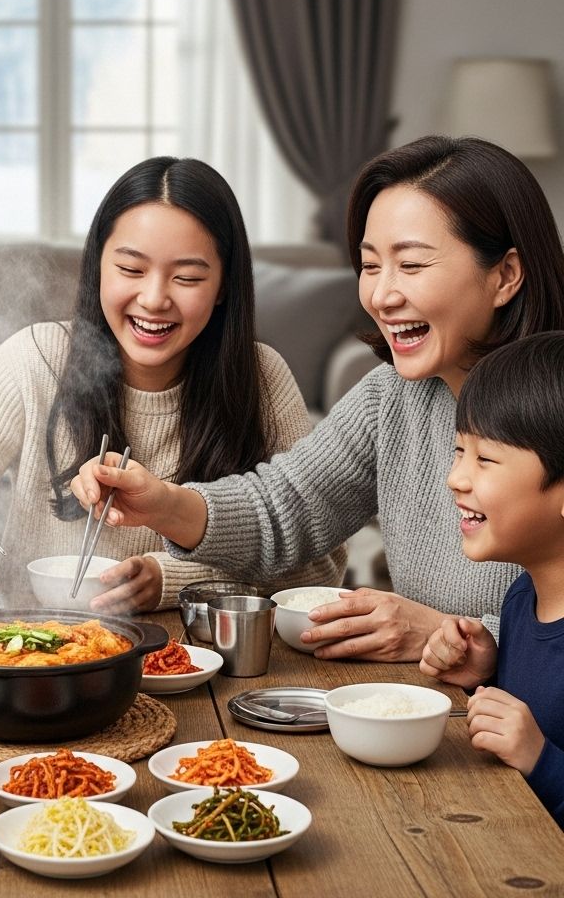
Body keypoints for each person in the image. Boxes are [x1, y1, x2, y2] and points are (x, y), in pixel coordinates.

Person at [71, 136, 564, 657]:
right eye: (371, 266)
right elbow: (286, 508)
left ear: (505, 275)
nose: (382, 295)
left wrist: (469, 638)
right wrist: (164, 503)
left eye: (412, 265)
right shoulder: (393, 398)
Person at [0, 156, 344, 611]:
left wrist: (171, 578)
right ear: (98, 264)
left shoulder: (260, 378)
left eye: (186, 277)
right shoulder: (36, 357)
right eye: (131, 270)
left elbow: (320, 567)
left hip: (190, 652)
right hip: (23, 639)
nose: (154, 298)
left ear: (223, 285)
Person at [419, 332, 564, 829]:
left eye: (485, 459)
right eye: (459, 451)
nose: (456, 478)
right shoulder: (523, 597)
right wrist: (488, 674)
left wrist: (542, 760)